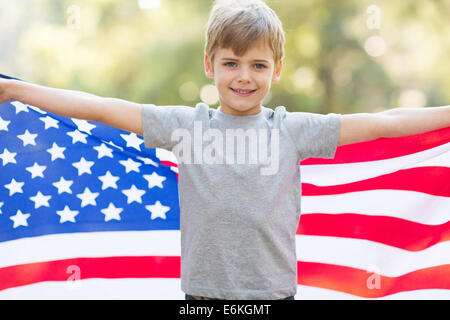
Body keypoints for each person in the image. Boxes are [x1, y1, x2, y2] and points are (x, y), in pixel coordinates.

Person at [0, 0, 449, 300]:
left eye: (258, 65)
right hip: (201, 299)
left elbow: (382, 123)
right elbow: (100, 108)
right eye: (231, 63)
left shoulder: (292, 130)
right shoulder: (185, 125)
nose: (243, 76)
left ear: (276, 71)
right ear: (209, 64)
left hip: (272, 297)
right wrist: (20, 93)